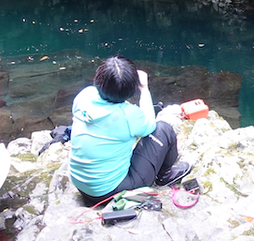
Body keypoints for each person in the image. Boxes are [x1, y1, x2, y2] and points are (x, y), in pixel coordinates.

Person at [69, 55, 190, 205]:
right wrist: (144, 89)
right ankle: (165, 176)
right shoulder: (128, 115)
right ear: (132, 90)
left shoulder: (84, 96)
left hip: (81, 185)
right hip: (109, 192)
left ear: (97, 80)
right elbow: (150, 125)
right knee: (163, 129)